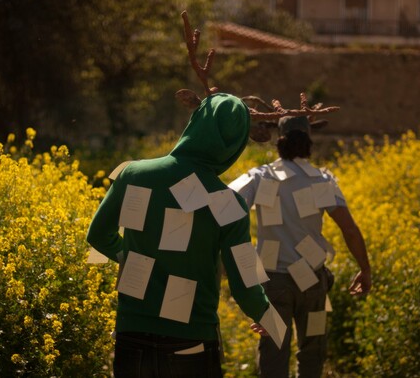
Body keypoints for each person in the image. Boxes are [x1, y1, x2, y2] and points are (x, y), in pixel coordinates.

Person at [86, 93, 279, 378]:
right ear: (235, 145)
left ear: (195, 123)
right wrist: (271, 319)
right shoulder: (229, 203)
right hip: (193, 341)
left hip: (132, 332)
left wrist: (135, 262)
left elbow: (98, 235)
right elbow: (243, 282)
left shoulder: (134, 174)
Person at [230, 115, 371, 378]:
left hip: (273, 285)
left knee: (273, 354)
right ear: (308, 142)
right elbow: (349, 229)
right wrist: (365, 268)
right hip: (312, 285)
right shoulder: (322, 180)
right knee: (313, 352)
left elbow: (226, 206)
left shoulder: (259, 176)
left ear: (279, 143)